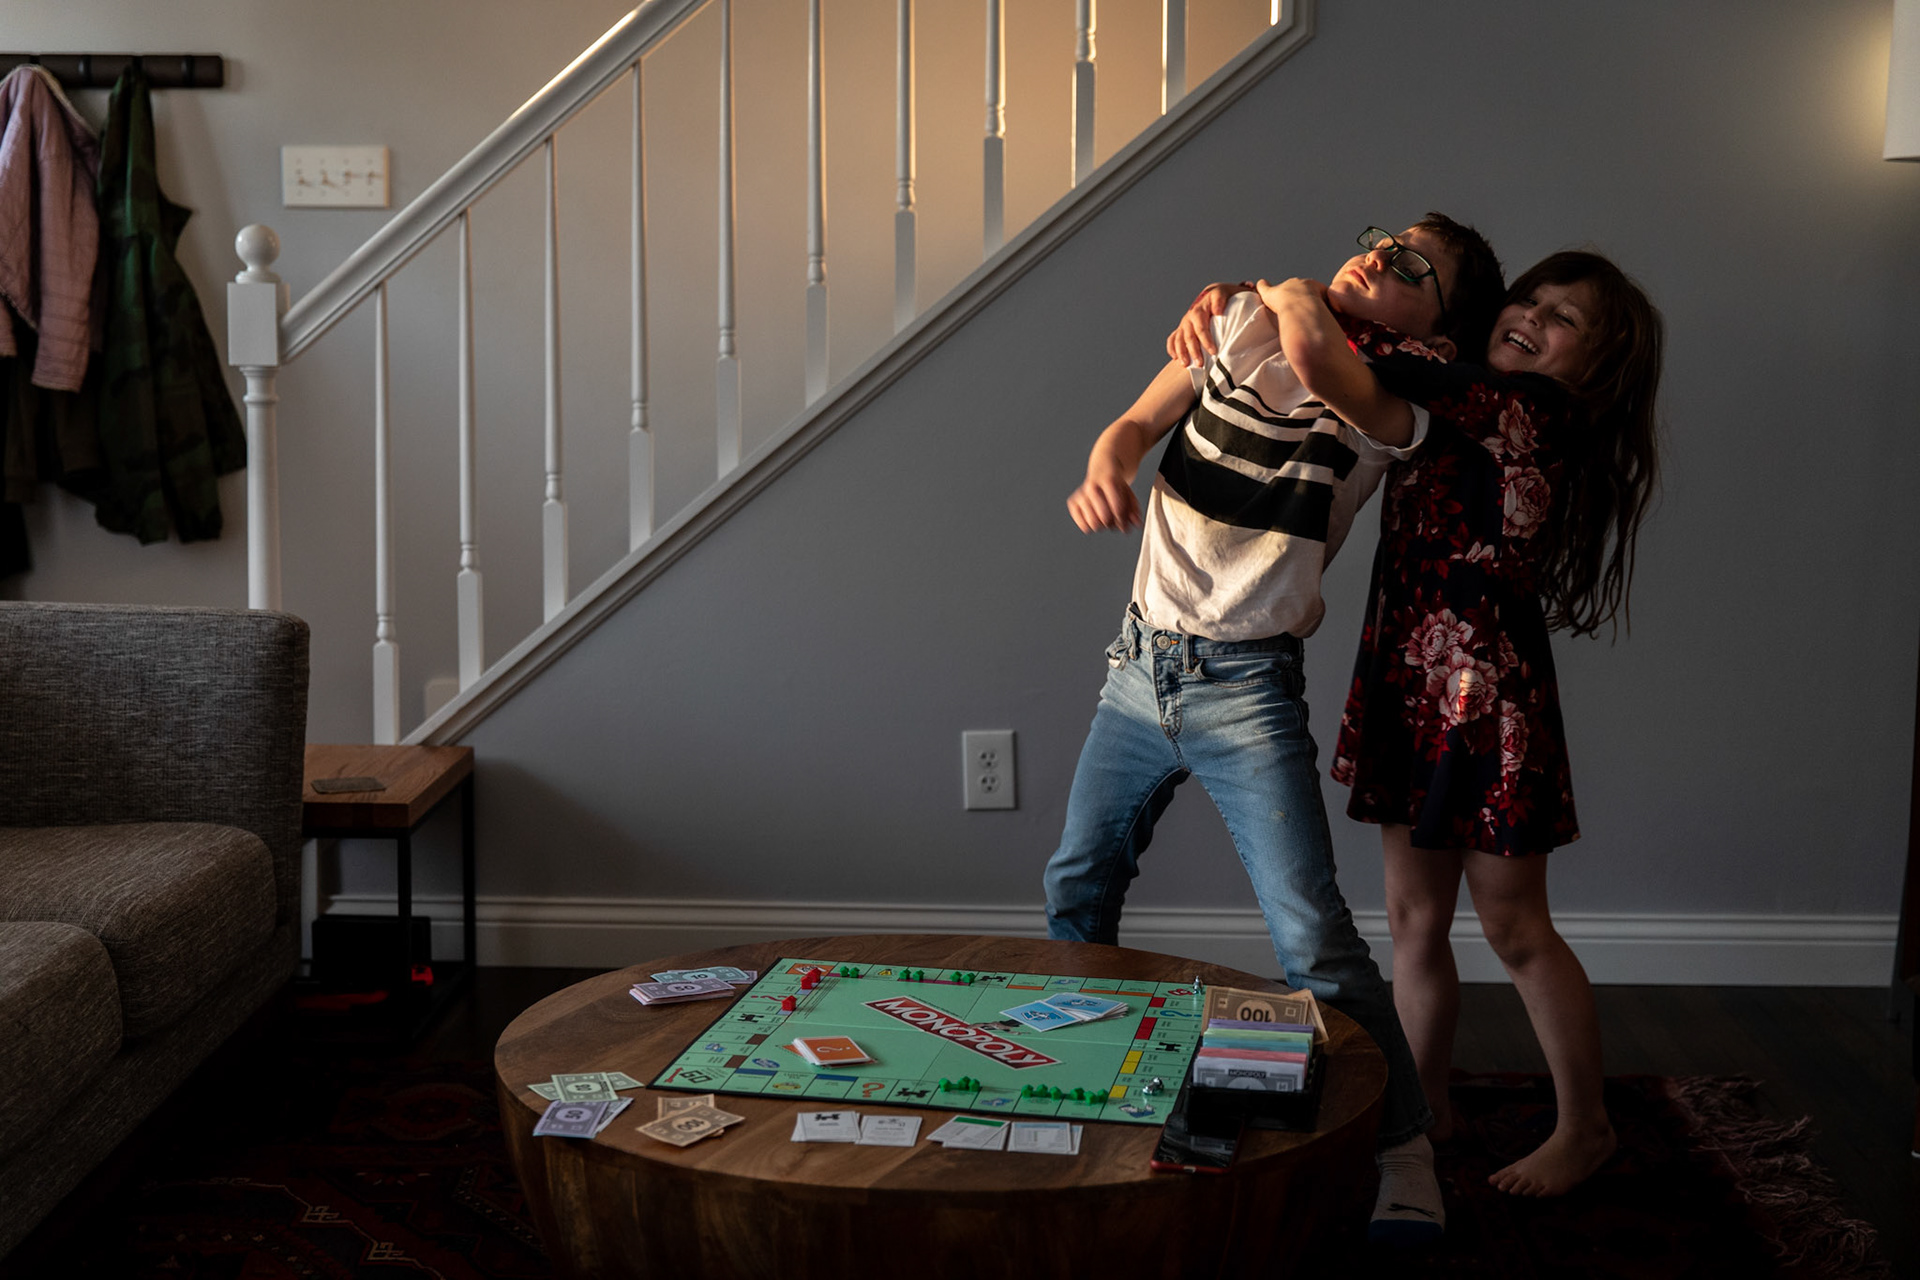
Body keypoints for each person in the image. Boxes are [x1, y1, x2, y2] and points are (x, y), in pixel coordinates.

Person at [1046, 215, 1506, 1245]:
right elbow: (1132, 424)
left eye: (1411, 266)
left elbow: (1316, 352)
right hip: (1138, 669)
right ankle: (1084, 1078)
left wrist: (1275, 282)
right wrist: (1108, 466)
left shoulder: (1392, 404)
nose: (1378, 255)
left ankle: (1403, 1149)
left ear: (1439, 333)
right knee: (1076, 883)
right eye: (1381, 238)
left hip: (1246, 688)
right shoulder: (1234, 323)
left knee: (1313, 939)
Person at [1172, 250, 1664, 1198]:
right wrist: (1235, 296)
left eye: (1564, 319)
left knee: (1515, 926)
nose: (1533, 317)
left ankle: (1586, 1127)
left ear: (1595, 367)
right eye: (1530, 299)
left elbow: (1369, 349)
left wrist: (1265, 292)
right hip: (1411, 685)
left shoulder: (1528, 408)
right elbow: (1385, 361)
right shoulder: (1458, 398)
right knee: (1412, 921)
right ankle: (1424, 1109)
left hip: (1488, 701)